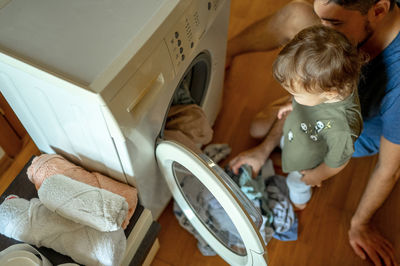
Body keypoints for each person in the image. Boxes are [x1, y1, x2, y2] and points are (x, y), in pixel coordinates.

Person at [228, 0, 400, 265]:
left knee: (298, 180)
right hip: (317, 112)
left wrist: (359, 222)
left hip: (333, 139)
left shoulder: (350, 121)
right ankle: (226, 52)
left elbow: (386, 169)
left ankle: (300, 199)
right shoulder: (338, 59)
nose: (322, 29)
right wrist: (266, 146)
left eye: (333, 23)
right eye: (319, 16)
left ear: (379, 10)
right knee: (257, 127)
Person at [270, 25, 363, 209]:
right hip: (301, 132)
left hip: (312, 158)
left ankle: (299, 203)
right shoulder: (336, 83)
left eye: (296, 95)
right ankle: (286, 157)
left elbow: (338, 161)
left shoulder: (342, 127)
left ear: (329, 93)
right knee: (286, 143)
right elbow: (310, 97)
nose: (293, 97)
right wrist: (293, 104)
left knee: (296, 183)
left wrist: (317, 175)